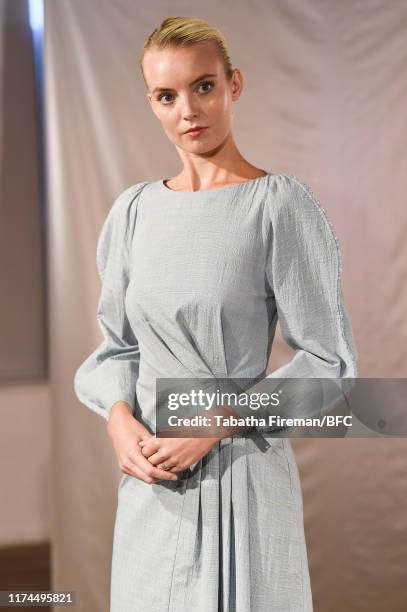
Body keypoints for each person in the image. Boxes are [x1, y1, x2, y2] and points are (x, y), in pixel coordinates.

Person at [73, 16, 358, 612]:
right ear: (151, 103)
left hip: (241, 474)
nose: (188, 110)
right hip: (152, 483)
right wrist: (118, 419)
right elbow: (116, 347)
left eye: (204, 86)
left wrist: (214, 425)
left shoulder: (279, 205)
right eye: (166, 95)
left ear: (235, 84)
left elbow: (329, 364)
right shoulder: (133, 213)